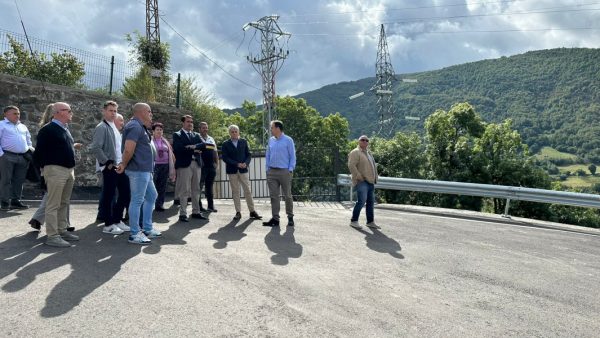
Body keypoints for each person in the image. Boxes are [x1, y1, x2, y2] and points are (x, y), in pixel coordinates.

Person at [33, 102, 79, 247]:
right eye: (69, 110)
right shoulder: (48, 130)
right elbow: (38, 153)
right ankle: (52, 236)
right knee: (53, 204)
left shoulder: (65, 129)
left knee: (64, 202)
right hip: (55, 170)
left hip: (68, 170)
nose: (71, 113)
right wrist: (45, 170)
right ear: (58, 112)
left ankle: (62, 230)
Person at [116, 102, 160, 245]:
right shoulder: (135, 126)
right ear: (141, 112)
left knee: (152, 196)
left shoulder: (139, 126)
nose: (151, 115)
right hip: (138, 170)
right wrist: (123, 163)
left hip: (144, 170)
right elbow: (129, 149)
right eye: (149, 112)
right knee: (137, 200)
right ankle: (135, 234)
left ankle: (147, 228)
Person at [90, 101, 130, 235]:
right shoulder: (102, 127)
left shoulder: (114, 127)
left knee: (125, 194)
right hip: (110, 167)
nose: (113, 113)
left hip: (119, 166)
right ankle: (108, 225)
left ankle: (117, 220)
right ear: (104, 111)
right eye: (110, 110)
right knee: (109, 196)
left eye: (115, 111)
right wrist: (108, 163)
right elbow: (95, 147)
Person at [172, 115, 210, 222]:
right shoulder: (177, 135)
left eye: (192, 122)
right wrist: (194, 149)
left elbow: (204, 146)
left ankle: (196, 212)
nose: (190, 123)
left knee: (196, 189)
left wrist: (192, 147)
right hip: (184, 165)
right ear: (183, 123)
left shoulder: (196, 135)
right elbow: (178, 148)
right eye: (188, 121)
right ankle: (183, 214)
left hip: (196, 164)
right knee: (185, 190)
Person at [221, 124, 262, 221]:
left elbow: (248, 155)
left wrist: (246, 163)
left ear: (238, 132)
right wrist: (236, 164)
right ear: (229, 133)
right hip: (232, 171)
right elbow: (225, 158)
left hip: (243, 170)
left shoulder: (243, 141)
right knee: (235, 191)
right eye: (232, 131)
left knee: (248, 190)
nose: (234, 133)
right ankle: (238, 212)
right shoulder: (225, 144)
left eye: (236, 131)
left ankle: (252, 211)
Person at [0, 105, 34, 210]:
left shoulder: (23, 126)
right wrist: (2, 155)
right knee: (6, 180)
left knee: (19, 180)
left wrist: (29, 150)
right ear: (6, 114)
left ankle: (16, 201)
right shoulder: (1, 125)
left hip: (22, 157)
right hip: (7, 155)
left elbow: (29, 140)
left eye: (18, 113)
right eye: (14, 113)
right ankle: (4, 202)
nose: (17, 115)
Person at [263, 120, 296, 227]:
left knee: (287, 195)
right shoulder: (271, 141)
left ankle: (290, 217)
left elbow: (292, 156)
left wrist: (290, 169)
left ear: (278, 128)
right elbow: (267, 155)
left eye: (272, 127)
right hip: (272, 172)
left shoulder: (288, 140)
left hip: (284, 171)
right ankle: (275, 219)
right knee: (274, 196)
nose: (270, 129)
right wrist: (267, 169)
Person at [348, 135, 380, 229]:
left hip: (370, 181)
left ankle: (370, 222)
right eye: (363, 140)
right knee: (361, 201)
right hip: (362, 181)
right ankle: (354, 221)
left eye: (367, 140)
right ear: (359, 141)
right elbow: (351, 165)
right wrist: (359, 176)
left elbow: (373, 166)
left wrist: (375, 178)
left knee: (370, 202)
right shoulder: (355, 152)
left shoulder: (368, 153)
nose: (365, 141)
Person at [151, 122, 175, 211]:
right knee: (152, 185)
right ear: (153, 131)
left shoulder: (165, 141)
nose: (159, 131)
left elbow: (170, 153)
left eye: (161, 130)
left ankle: (159, 205)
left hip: (165, 165)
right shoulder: (150, 140)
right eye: (157, 129)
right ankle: (151, 204)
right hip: (154, 165)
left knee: (162, 186)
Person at [198, 122, 218, 213]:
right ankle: (199, 207)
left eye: (206, 128)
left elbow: (215, 152)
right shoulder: (197, 138)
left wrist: (216, 164)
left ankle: (210, 206)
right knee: (199, 186)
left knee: (209, 187)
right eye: (203, 128)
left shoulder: (211, 139)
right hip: (201, 166)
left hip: (211, 166)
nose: (205, 129)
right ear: (199, 129)